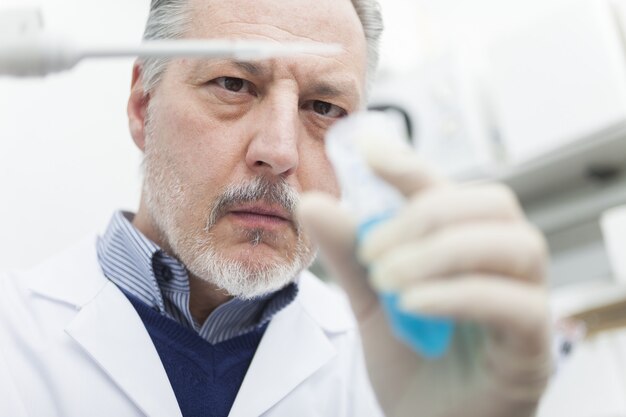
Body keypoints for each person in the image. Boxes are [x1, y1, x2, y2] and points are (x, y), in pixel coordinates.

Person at [0, 0, 552, 416]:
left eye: (323, 107)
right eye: (234, 84)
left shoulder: (393, 367)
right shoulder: (15, 340)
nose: (280, 152)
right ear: (144, 107)